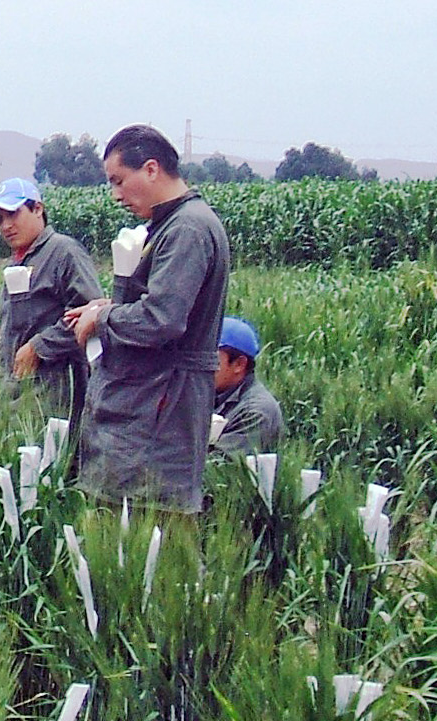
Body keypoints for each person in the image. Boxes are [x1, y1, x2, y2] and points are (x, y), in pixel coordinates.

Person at [64, 126, 231, 514]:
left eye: (119, 181)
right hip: (149, 403)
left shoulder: (187, 228)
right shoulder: (172, 224)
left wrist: (103, 318)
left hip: (161, 408)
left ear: (152, 169)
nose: (116, 194)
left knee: (153, 525)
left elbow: (162, 320)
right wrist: (106, 306)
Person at [0, 176, 101, 416]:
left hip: (55, 398)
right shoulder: (18, 262)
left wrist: (38, 347)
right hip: (16, 396)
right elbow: (29, 324)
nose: (5, 225)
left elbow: (90, 316)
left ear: (38, 209)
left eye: (13, 214)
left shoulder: (64, 253)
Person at [209, 316, 282, 460]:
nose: (204, 364)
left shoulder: (257, 412)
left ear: (239, 364)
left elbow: (217, 470)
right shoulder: (209, 393)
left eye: (212, 357)